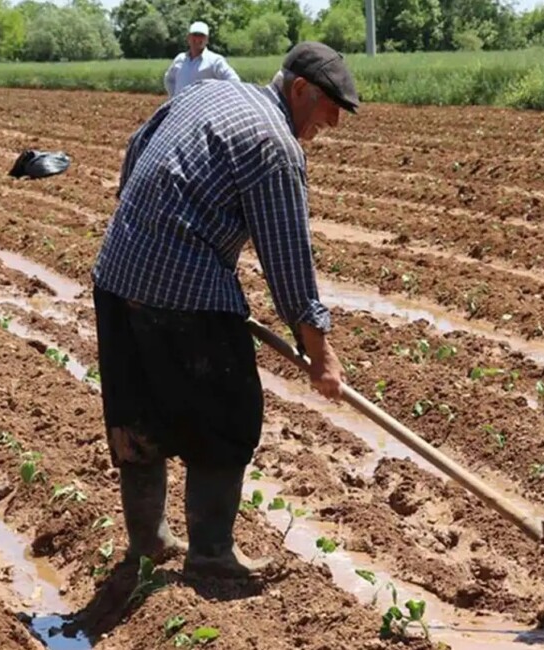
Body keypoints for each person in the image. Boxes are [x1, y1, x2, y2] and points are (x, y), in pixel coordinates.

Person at [91, 42, 359, 579]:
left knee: (137, 416)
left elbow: (135, 147)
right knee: (227, 415)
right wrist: (320, 351)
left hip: (117, 273)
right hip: (184, 289)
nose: (330, 121)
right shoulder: (275, 145)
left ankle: (148, 544)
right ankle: (211, 557)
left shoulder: (207, 92)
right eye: (329, 105)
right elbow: (288, 258)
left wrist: (147, 224)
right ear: (300, 89)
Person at [163, 21, 240, 97]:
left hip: (204, 108)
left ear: (207, 39)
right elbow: (169, 79)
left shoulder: (215, 61)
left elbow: (234, 81)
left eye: (201, 35)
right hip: (181, 108)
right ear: (188, 38)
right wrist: (174, 98)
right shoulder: (180, 59)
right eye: (195, 35)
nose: (197, 39)